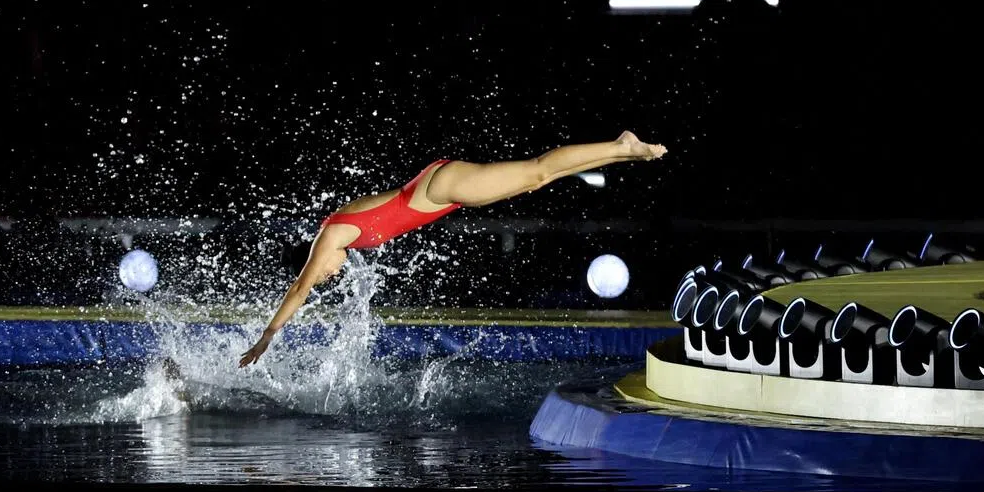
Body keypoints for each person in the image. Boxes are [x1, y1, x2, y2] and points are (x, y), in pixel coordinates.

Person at [238, 130, 667, 367]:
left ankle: (619, 146)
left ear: (312, 256)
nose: (330, 275)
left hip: (441, 187)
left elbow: (299, 290)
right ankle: (621, 154)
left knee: (536, 172)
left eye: (323, 272)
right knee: (539, 179)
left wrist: (266, 338)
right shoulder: (334, 229)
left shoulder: (329, 237)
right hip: (439, 188)